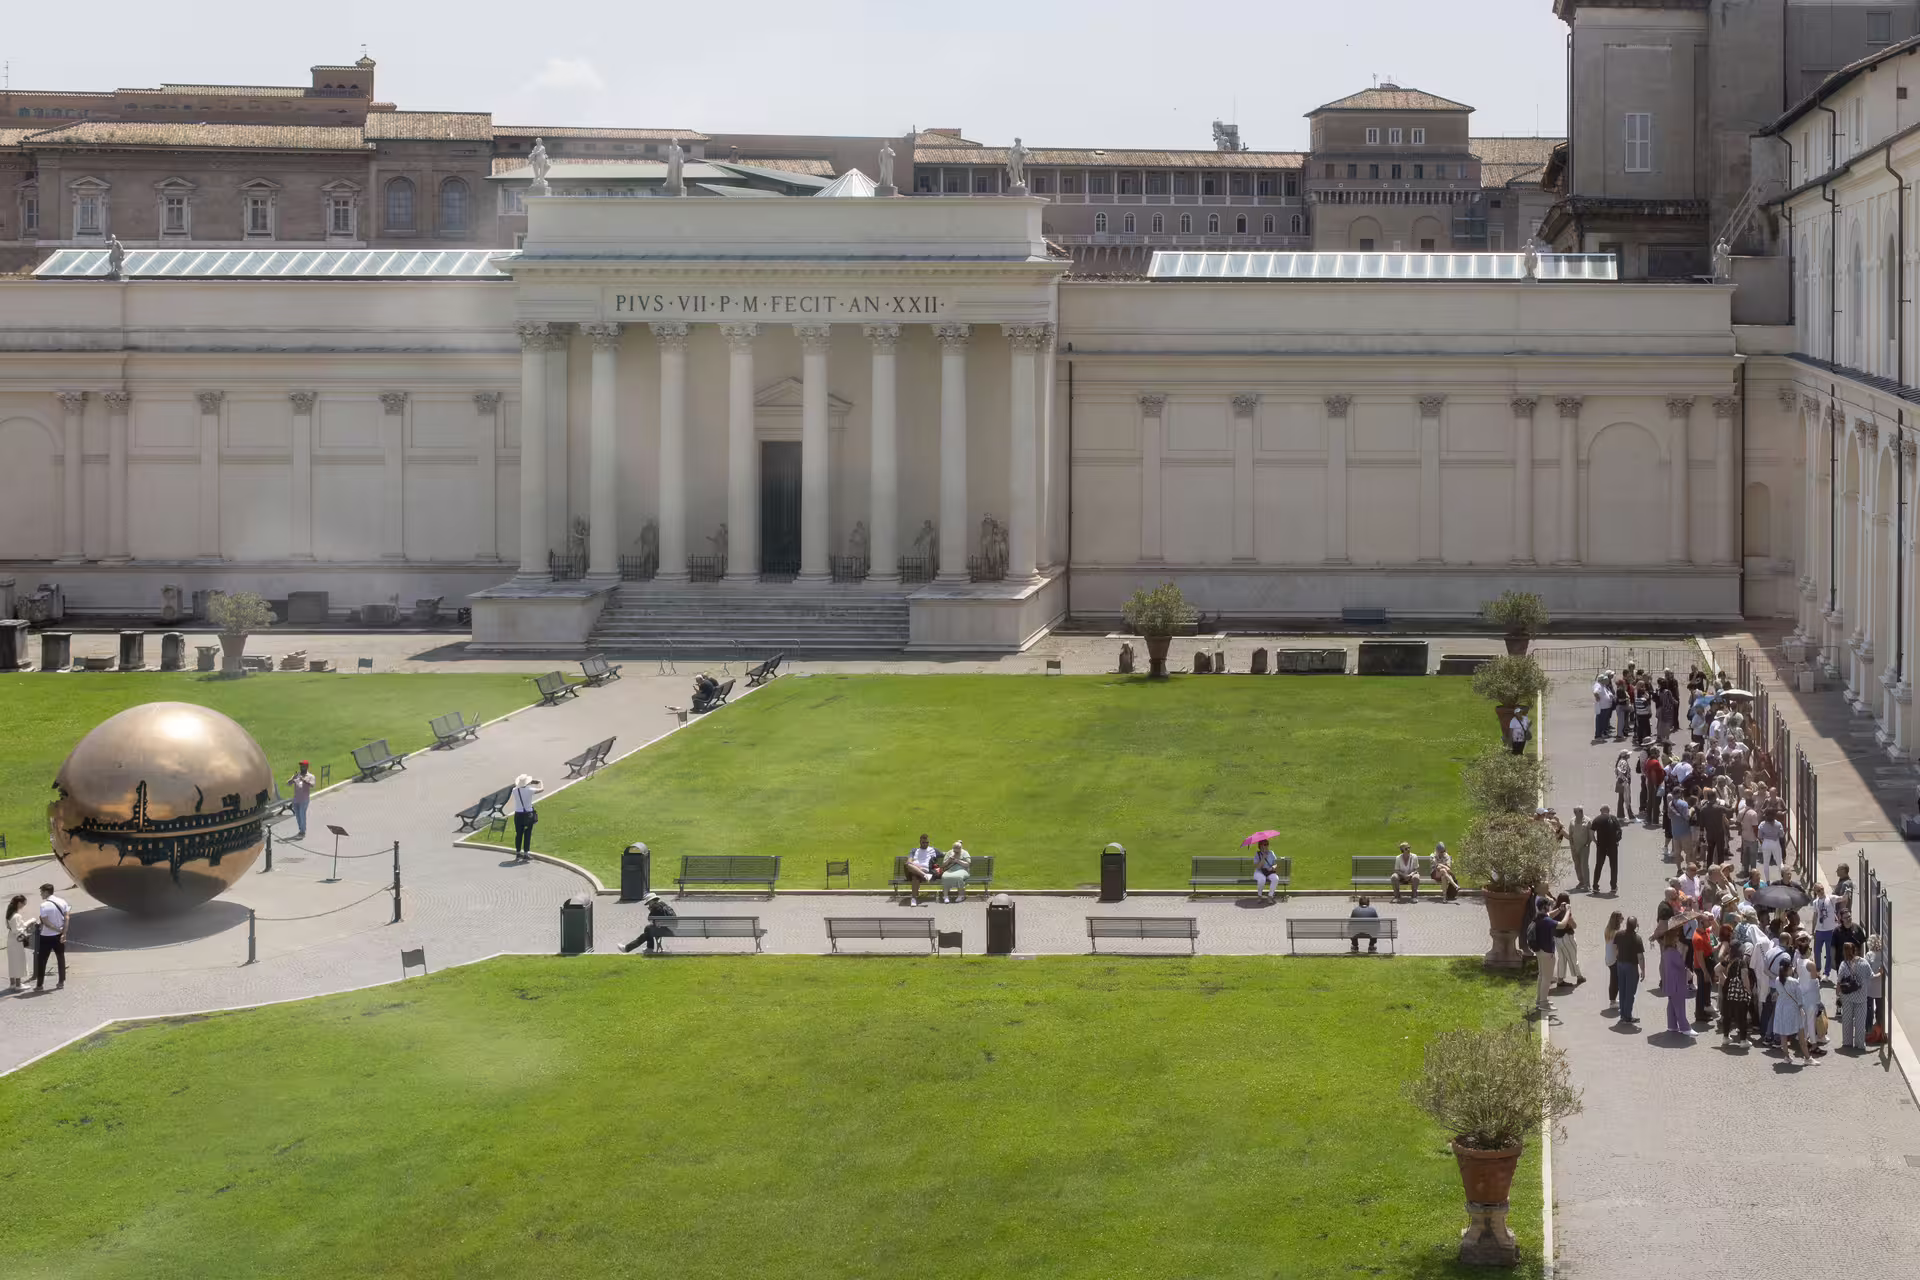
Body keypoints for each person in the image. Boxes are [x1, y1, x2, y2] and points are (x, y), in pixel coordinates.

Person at [1719, 921, 1754, 1044]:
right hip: (1739, 991)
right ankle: (1743, 1041)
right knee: (1741, 1015)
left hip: (1728, 989)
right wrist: (1748, 990)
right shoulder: (1741, 962)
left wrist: (1725, 980)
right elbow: (1744, 977)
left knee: (1728, 1014)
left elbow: (1716, 970)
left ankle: (1725, 1037)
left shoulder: (1728, 960)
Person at [1837, 940, 1874, 1051]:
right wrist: (1880, 973)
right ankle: (1859, 1044)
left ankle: (1847, 1042)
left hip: (1847, 996)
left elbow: (1839, 980)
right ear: (1855, 950)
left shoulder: (1844, 964)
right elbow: (1871, 976)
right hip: (1861, 997)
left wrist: (1838, 995)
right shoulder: (1863, 962)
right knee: (1860, 1021)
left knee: (1847, 1020)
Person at [32, 883, 69, 992]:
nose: (40, 894)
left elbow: (46, 922)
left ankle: (39, 985)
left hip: (46, 936)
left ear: (46, 892)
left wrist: (58, 930)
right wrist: (64, 932)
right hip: (59, 936)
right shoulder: (62, 902)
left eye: (41, 892)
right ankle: (61, 982)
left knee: (42, 960)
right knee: (60, 958)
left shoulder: (44, 906)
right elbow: (67, 917)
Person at [1660, 927, 1695, 1037]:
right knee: (1680, 1005)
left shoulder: (1666, 951)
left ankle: (1672, 1025)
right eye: (1676, 936)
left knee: (1672, 1004)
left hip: (1670, 982)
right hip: (1677, 982)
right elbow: (1681, 964)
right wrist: (1683, 952)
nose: (1678, 937)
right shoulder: (1673, 952)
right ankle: (1685, 1028)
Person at [1614, 916, 1646, 1024]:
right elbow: (1640, 957)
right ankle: (1627, 1016)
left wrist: (1618, 959)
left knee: (1622, 990)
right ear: (1635, 926)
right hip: (1631, 967)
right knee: (1629, 992)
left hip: (1620, 965)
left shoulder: (1619, 935)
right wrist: (1643, 970)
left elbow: (1616, 949)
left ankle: (1623, 1014)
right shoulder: (1637, 939)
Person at [1531, 885, 1558, 1016]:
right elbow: (1562, 924)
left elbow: (1549, 915)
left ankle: (1539, 1001)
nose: (1549, 908)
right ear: (1544, 907)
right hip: (1547, 952)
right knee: (1547, 978)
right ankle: (1543, 1002)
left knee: (1541, 976)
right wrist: (1568, 912)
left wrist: (1559, 909)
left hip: (1539, 951)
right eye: (1548, 905)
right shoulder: (1546, 921)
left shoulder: (1538, 917)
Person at [1552, 893, 1585, 988]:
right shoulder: (1565, 912)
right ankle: (1579, 977)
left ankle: (1560, 980)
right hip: (1567, 937)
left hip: (1557, 938)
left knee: (1561, 959)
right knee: (1572, 957)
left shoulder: (1555, 910)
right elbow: (1574, 925)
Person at [1590, 805, 1623, 895]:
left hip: (1601, 846)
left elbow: (1591, 833)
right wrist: (1616, 841)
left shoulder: (1597, 819)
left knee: (1599, 865)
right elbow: (1619, 831)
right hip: (1612, 846)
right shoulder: (1614, 818)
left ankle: (1595, 886)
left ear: (1601, 811)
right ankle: (1613, 886)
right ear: (1608, 810)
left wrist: (1596, 842)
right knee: (1613, 866)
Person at [1810, 882, 1840, 979]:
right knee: (1817, 951)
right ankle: (1818, 969)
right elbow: (1815, 916)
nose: (1821, 891)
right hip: (1819, 930)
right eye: (1818, 890)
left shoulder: (1830, 898)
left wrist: (1847, 893)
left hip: (1830, 930)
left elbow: (1842, 898)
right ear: (1816, 892)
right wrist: (1813, 930)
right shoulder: (1815, 902)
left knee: (1828, 952)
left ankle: (1826, 973)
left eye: (1822, 889)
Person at [509, 774, 541, 862]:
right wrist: (540, 782)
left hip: (518, 815)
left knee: (518, 834)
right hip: (528, 814)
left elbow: (519, 787)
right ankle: (526, 853)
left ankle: (518, 853)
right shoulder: (530, 790)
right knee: (527, 834)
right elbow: (541, 789)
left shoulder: (515, 790)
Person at [286, 760, 317, 840]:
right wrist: (292, 779)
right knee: (297, 816)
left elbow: (312, 785)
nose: (301, 767)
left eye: (303, 766)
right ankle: (301, 829)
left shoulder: (311, 776)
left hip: (304, 800)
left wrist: (303, 780)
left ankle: (302, 832)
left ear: (307, 767)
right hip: (296, 799)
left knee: (302, 814)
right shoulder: (297, 775)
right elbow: (288, 783)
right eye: (300, 766)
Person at [903, 835, 939, 905]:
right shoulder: (914, 850)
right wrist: (918, 867)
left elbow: (947, 854)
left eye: (927, 842)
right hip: (915, 870)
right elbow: (909, 861)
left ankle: (913, 899)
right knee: (908, 866)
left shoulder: (933, 850)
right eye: (923, 842)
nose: (925, 844)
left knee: (915, 877)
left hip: (925, 870)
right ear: (920, 842)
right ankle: (925, 876)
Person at [5, 894, 30, 991]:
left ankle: (12, 983)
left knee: (12, 962)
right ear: (19, 903)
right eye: (23, 904)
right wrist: (27, 927)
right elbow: (18, 930)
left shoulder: (9, 914)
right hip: (16, 941)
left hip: (10, 939)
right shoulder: (17, 915)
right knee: (19, 961)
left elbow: (12, 927)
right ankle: (19, 984)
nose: (23, 906)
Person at [1602, 911, 1624, 1008]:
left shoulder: (1608, 930)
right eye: (1621, 918)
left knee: (1614, 979)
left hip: (1608, 958)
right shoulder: (1616, 933)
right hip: (1614, 959)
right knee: (1615, 981)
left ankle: (1613, 1000)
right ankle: (1612, 1001)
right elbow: (1616, 949)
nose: (1623, 918)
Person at [1567, 808, 1591, 892]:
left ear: (1581, 812)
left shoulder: (1587, 821)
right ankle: (1581, 881)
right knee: (1577, 865)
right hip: (1574, 847)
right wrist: (1572, 845)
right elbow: (1570, 834)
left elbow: (1590, 834)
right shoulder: (1572, 821)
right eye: (1574, 812)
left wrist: (1588, 843)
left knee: (1584, 865)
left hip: (1584, 846)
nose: (1575, 814)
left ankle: (1587, 884)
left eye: (1576, 812)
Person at [1593, 671, 1616, 743]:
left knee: (1604, 722)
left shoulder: (1603, 685)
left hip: (1606, 707)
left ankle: (1602, 734)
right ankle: (1598, 736)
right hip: (1602, 707)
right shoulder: (1598, 685)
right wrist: (1597, 697)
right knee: (1600, 721)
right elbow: (1595, 692)